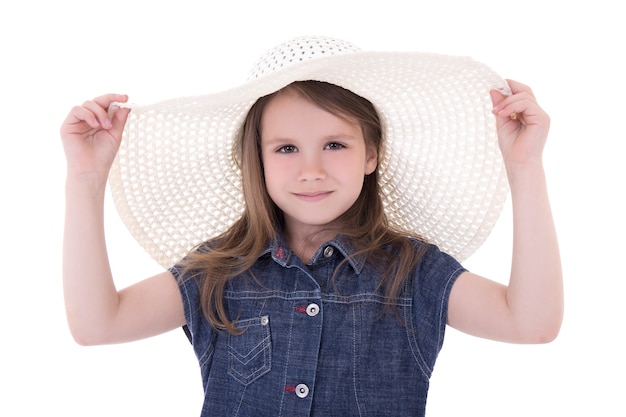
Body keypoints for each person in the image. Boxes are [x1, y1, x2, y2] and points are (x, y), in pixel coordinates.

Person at [60, 36, 563, 416]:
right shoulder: (217, 273)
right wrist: (85, 178)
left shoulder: (413, 272)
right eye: (286, 148)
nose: (311, 169)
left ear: (371, 154)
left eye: (335, 144)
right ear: (256, 160)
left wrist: (525, 168)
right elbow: (97, 324)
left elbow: (532, 323)